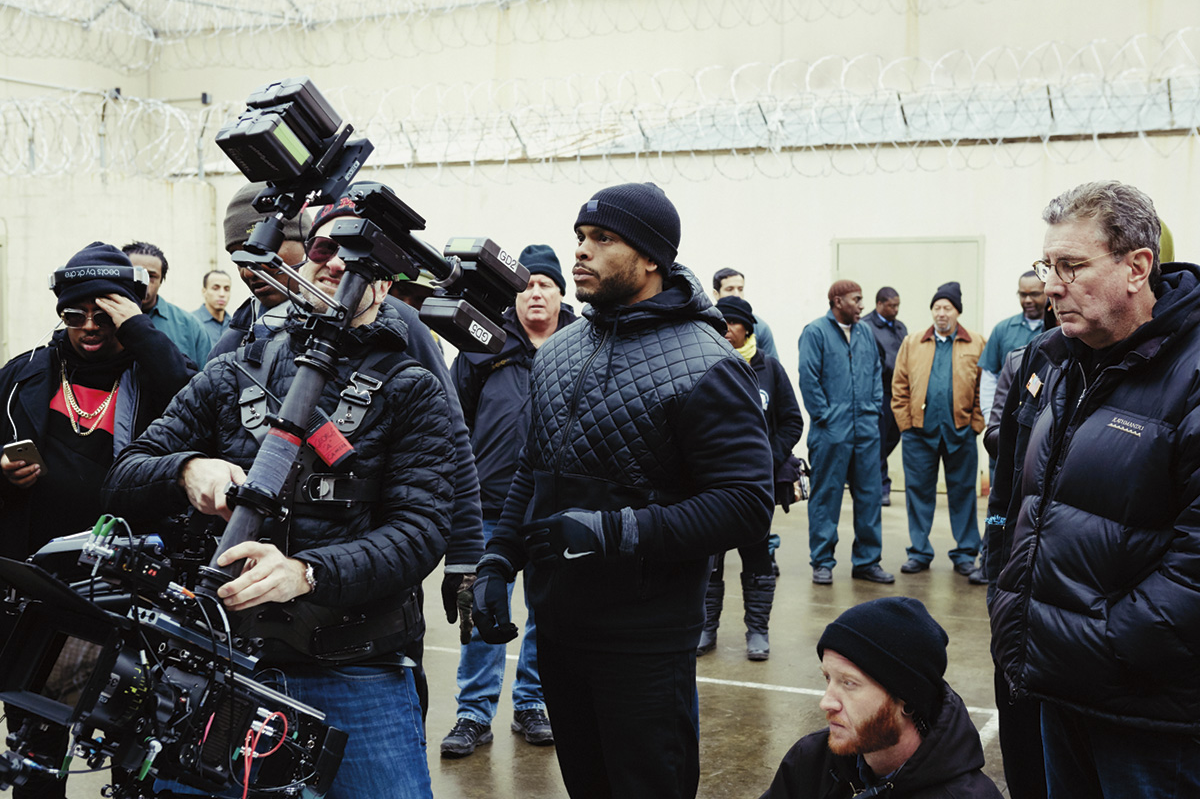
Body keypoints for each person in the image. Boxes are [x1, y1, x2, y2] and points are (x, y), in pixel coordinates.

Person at [102, 201, 457, 799]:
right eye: (323, 248)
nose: (336, 263)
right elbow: (124, 476)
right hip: (222, 665)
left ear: (387, 278)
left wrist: (306, 573)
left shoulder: (410, 387)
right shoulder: (229, 373)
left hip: (356, 669)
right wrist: (186, 469)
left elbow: (420, 531)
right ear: (300, 257)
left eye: (358, 255)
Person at [471, 182, 774, 799]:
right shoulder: (558, 351)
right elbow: (533, 468)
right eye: (580, 237)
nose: (581, 252)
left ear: (651, 258)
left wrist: (618, 531)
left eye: (602, 240)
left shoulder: (707, 361)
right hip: (558, 629)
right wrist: (499, 561)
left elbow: (745, 503)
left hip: (643, 642)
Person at [988, 181, 1200, 798]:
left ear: (1137, 267)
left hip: (1148, 711)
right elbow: (1023, 511)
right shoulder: (1058, 364)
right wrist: (1014, 609)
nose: (1052, 286)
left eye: (1072, 266)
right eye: (1046, 266)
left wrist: (1102, 640)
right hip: (1062, 684)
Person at [0, 242, 194, 799]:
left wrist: (137, 329)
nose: (88, 326)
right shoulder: (27, 373)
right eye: (74, 314)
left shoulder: (152, 375)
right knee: (38, 743)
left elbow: (193, 395)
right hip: (41, 588)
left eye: (103, 315)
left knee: (133, 743)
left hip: (126, 588)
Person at [440, 244, 578, 757]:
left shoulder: (585, 344)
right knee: (481, 610)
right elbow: (455, 424)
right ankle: (473, 714)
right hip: (488, 508)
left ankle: (532, 704)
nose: (535, 293)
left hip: (555, 507)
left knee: (548, 612)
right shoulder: (484, 344)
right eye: (526, 285)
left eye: (545, 284)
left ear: (562, 294)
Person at [759, 597, 1002, 798]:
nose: (826, 702)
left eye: (849, 683)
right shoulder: (812, 761)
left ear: (906, 699)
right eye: (827, 678)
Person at [698, 296, 803, 661]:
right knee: (710, 559)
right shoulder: (703, 364)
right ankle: (706, 627)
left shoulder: (769, 369)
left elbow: (792, 420)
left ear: (747, 328)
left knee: (757, 556)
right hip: (712, 484)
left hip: (756, 486)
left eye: (731, 323)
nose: (724, 329)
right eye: (719, 322)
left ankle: (758, 630)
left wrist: (769, 457)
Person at [796, 280, 893, 586]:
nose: (862, 305)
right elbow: (808, 378)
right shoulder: (815, 333)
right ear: (837, 301)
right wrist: (825, 416)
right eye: (856, 299)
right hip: (830, 432)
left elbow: (877, 372)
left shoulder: (865, 332)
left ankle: (867, 561)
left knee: (869, 496)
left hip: (866, 428)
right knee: (826, 497)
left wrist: (875, 407)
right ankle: (822, 561)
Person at [891, 282, 985, 578]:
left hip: (961, 434)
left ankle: (966, 553)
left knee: (963, 494)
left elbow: (986, 387)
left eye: (947, 308)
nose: (941, 313)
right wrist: (906, 425)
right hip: (919, 434)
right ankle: (919, 552)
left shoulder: (977, 343)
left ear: (957, 312)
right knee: (918, 493)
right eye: (937, 308)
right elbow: (899, 386)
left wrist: (976, 425)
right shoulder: (913, 342)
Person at [208, 181, 313, 361]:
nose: (249, 272)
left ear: (307, 244)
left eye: (262, 251)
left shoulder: (355, 330)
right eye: (239, 259)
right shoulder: (230, 343)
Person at [977, 271, 1047, 434]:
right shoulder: (1002, 330)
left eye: (1035, 294)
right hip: (1006, 422)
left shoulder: (1058, 330)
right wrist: (991, 421)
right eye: (1023, 295)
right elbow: (989, 377)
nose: (1028, 300)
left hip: (1041, 426)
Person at [121, 241, 211, 366]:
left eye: (151, 276)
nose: (143, 281)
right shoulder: (100, 320)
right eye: (136, 274)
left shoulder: (189, 326)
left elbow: (206, 379)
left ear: (161, 280)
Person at [860, 287, 906, 505]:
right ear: (879, 304)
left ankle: (864, 469)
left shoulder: (900, 327)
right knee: (878, 439)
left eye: (897, 305)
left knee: (894, 436)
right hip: (881, 390)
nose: (896, 309)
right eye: (891, 305)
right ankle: (882, 486)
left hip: (900, 391)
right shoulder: (867, 326)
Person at [712, 267, 778, 359]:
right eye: (729, 289)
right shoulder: (706, 324)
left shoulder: (760, 326)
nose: (736, 294)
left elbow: (772, 367)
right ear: (716, 294)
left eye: (740, 289)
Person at [192, 269, 232, 348]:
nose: (222, 294)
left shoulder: (234, 325)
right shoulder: (192, 322)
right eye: (215, 288)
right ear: (204, 291)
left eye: (226, 289)